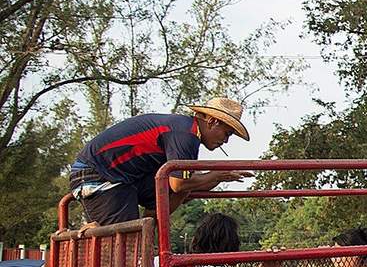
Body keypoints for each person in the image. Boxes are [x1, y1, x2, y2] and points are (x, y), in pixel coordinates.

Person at [68, 96, 252, 226]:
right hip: (100, 177)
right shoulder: (185, 135)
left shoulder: (185, 130)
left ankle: (149, 233)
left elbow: (180, 187)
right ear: (212, 122)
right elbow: (179, 183)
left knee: (178, 192)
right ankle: (138, 240)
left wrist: (219, 177)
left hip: (123, 178)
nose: (226, 140)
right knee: (125, 247)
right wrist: (218, 175)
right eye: (227, 133)